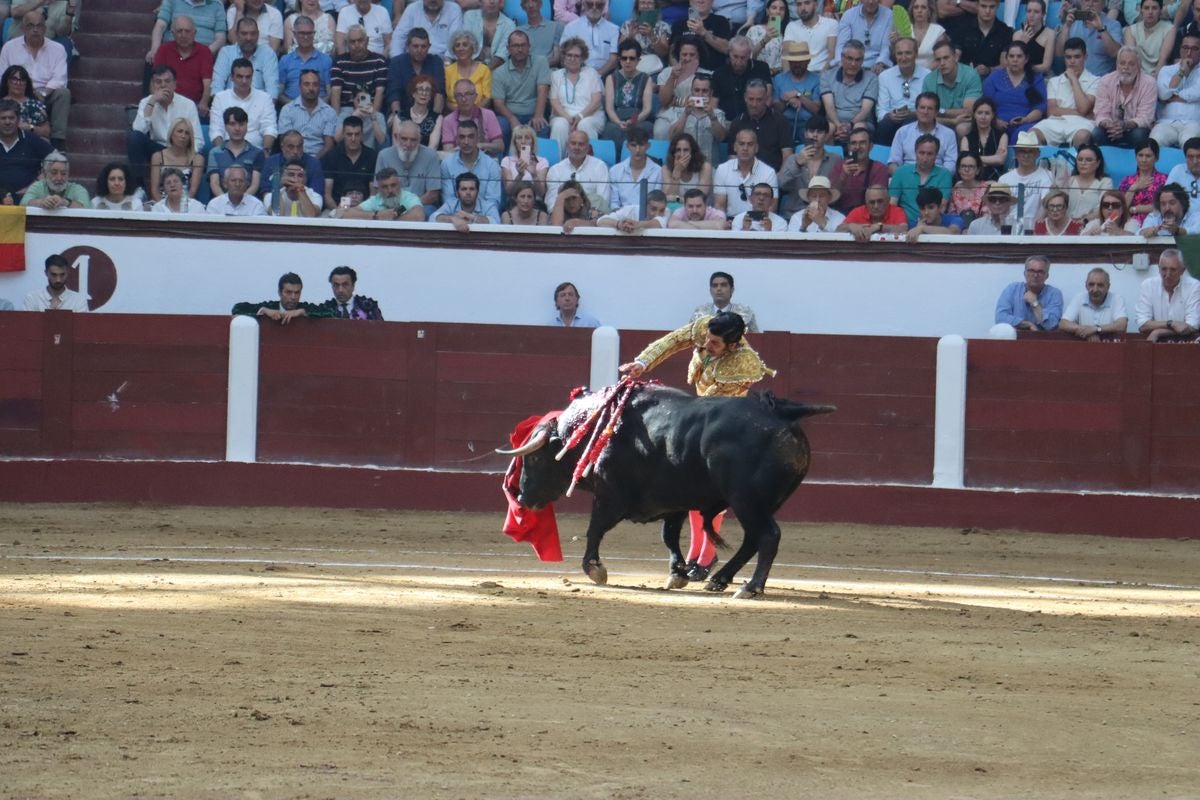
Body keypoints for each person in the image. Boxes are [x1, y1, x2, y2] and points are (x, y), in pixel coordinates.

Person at [618, 310, 776, 580]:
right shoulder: (706, 328)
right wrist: (642, 363)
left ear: (734, 346)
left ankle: (706, 554)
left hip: (729, 420)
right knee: (692, 488)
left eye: (715, 344)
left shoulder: (744, 363)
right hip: (702, 411)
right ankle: (697, 552)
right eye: (707, 339)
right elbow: (671, 341)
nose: (706, 346)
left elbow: (715, 401)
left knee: (714, 489)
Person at [0, 9, 70, 151]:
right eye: (31, 26)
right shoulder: (9, 47)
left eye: (39, 26)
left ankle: (57, 141)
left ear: (45, 28)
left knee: (64, 93)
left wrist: (42, 94)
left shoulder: (57, 49)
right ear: (23, 29)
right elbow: (2, 76)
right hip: (16, 92)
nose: (35, 30)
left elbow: (60, 78)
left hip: (46, 93)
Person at [128, 65, 202, 190]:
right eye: (158, 82)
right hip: (157, 150)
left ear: (175, 84)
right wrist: (152, 102)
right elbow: (138, 130)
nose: (163, 86)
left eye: (167, 81)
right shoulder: (147, 102)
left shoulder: (188, 105)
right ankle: (139, 186)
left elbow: (198, 140)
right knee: (134, 138)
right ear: (152, 85)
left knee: (199, 157)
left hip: (181, 149)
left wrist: (182, 156)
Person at [1029, 38, 1097, 150]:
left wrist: (1074, 80)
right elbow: (1051, 111)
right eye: (1068, 57)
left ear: (1085, 57)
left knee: (1082, 136)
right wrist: (1080, 113)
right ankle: (1040, 166)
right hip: (1055, 122)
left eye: (1077, 57)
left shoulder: (1096, 81)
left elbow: (1084, 108)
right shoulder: (1054, 81)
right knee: (1031, 134)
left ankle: (1077, 167)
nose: (1072, 61)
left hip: (1082, 123)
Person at [329, 25, 388, 142]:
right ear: (347, 44)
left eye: (360, 40)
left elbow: (379, 92)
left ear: (367, 41)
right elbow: (336, 91)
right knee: (339, 129)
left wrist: (372, 113)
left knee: (378, 123)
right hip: (347, 108)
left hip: (369, 106)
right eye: (352, 42)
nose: (357, 45)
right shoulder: (340, 61)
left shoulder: (379, 61)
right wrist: (336, 118)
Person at [492, 30, 551, 144]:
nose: (520, 49)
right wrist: (512, 119)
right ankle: (504, 161)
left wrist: (538, 115)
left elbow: (542, 90)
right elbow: (498, 104)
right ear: (508, 49)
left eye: (523, 45)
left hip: (533, 113)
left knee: (541, 127)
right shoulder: (499, 72)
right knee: (500, 126)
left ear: (529, 47)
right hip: (509, 115)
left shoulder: (541, 62)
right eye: (515, 46)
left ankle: (539, 161)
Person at [1091, 46, 1156, 149]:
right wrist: (1109, 125)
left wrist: (1125, 125)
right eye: (1122, 63)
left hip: (1134, 129)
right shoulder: (1105, 81)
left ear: (1138, 66)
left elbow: (1145, 118)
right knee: (1097, 133)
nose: (1125, 67)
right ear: (1117, 65)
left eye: (1131, 64)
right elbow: (1100, 113)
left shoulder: (1149, 83)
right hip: (1111, 129)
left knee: (1139, 135)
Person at [548, 37, 605, 154]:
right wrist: (568, 118)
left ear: (583, 58)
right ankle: (558, 163)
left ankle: (589, 162)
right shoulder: (556, 75)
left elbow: (596, 101)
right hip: (563, 115)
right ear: (563, 56)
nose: (572, 59)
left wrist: (580, 117)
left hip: (590, 115)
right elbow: (554, 102)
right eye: (569, 55)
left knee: (585, 124)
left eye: (576, 56)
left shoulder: (591, 73)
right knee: (560, 125)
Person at [209, 58, 278, 151]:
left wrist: (265, 153)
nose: (244, 81)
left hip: (256, 154)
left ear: (252, 77)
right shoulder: (220, 98)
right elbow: (216, 131)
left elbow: (269, 128)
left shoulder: (265, 98)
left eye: (248, 77)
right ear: (232, 78)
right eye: (240, 77)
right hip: (227, 151)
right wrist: (223, 155)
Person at [662, 69, 727, 167]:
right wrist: (685, 114)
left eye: (704, 91)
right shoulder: (679, 112)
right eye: (697, 90)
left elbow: (721, 137)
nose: (700, 95)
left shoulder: (718, 114)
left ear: (711, 93)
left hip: (709, 167)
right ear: (691, 91)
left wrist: (712, 117)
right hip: (685, 167)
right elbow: (672, 136)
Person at [152, 15, 215, 115]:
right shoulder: (163, 50)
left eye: (187, 31)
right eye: (179, 31)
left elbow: (207, 84)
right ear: (173, 33)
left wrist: (204, 103)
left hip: (194, 105)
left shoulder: (204, 52)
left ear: (195, 33)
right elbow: (155, 81)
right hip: (167, 103)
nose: (183, 35)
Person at [777, 114, 839, 217]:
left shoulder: (835, 160)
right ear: (806, 134)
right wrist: (797, 164)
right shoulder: (793, 158)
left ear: (826, 135)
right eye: (811, 131)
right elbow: (781, 184)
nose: (815, 135)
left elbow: (838, 190)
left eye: (819, 132)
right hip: (793, 213)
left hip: (824, 214)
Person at [981, 41, 1045, 138]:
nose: (1015, 60)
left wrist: (1026, 119)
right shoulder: (993, 78)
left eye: (1019, 56)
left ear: (1026, 59)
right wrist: (995, 121)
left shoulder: (1036, 78)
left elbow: (1039, 109)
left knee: (1026, 134)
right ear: (1006, 59)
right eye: (1011, 56)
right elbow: (985, 106)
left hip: (1025, 124)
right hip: (996, 124)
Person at [376, 118, 442, 213]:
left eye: (413, 140)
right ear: (396, 137)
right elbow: (378, 190)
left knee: (429, 212)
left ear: (420, 139)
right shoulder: (384, 155)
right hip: (390, 205)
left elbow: (432, 195)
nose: (408, 144)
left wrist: (404, 208)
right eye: (404, 139)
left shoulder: (431, 156)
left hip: (420, 205)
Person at [727, 77, 793, 171]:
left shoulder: (781, 121)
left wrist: (777, 179)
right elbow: (732, 157)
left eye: (759, 100)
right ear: (745, 97)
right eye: (751, 99)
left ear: (766, 98)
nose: (754, 104)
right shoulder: (737, 123)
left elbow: (787, 156)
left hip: (775, 178)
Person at [875, 37, 930, 146]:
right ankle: (881, 160)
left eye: (908, 53)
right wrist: (889, 115)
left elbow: (930, 107)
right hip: (892, 120)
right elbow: (881, 109)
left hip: (917, 117)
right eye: (899, 54)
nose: (903, 58)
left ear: (916, 54)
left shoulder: (927, 76)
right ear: (895, 55)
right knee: (884, 125)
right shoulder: (885, 76)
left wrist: (913, 114)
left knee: (909, 123)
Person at [820, 39, 878, 142]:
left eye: (858, 60)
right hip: (834, 122)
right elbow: (829, 107)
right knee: (829, 127)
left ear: (863, 60)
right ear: (842, 57)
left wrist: (850, 125)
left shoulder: (871, 78)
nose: (853, 64)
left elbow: (865, 110)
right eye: (849, 59)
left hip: (860, 122)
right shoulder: (827, 76)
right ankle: (825, 157)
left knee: (859, 127)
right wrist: (839, 125)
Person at [1135, 248, 1200, 340]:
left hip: (1185, 344)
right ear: (1158, 269)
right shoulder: (1148, 285)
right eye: (1164, 269)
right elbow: (1142, 325)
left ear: (1182, 270)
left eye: (1173, 270)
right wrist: (1171, 323)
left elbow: (1192, 326)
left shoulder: (1194, 286)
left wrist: (1158, 332)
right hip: (1154, 343)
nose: (1168, 274)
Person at [888, 133, 953, 225]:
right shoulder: (900, 172)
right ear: (915, 152)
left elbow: (941, 207)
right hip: (904, 224)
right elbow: (892, 204)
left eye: (930, 154)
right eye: (921, 153)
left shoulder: (945, 175)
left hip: (933, 224)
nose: (925, 158)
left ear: (936, 155)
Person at [602, 39, 654, 151]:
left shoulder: (646, 78)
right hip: (617, 118)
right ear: (619, 60)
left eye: (632, 58)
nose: (628, 61)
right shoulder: (611, 78)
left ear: (638, 60)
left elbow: (647, 109)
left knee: (644, 128)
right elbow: (609, 109)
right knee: (611, 129)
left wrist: (633, 121)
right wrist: (618, 122)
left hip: (638, 118)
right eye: (624, 58)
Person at [713, 127, 777, 218]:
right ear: (735, 147)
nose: (745, 148)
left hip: (758, 221)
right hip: (730, 222)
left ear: (756, 148)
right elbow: (719, 205)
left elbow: (771, 206)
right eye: (741, 144)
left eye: (750, 144)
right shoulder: (722, 169)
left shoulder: (769, 173)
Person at [1150, 32, 1200, 148]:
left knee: (1190, 143)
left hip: (1193, 123)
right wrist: (1181, 72)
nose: (1189, 53)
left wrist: (1173, 96)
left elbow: (1196, 93)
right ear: (1180, 49)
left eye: (1194, 49)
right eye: (1185, 48)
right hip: (1166, 122)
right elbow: (1163, 94)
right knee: (1154, 142)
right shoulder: (1166, 70)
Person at [888, 91, 957, 173]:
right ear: (916, 110)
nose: (925, 112)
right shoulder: (902, 132)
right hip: (907, 178)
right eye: (922, 107)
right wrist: (904, 178)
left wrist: (935, 179)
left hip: (936, 180)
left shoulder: (949, 134)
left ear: (936, 112)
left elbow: (950, 167)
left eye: (930, 108)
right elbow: (893, 163)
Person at [998, 130, 1053, 232]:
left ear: (1038, 153)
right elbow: (1001, 209)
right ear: (1015, 154)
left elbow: (1045, 205)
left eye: (1030, 151)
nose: (1026, 155)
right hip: (1008, 229)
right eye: (1022, 151)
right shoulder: (1004, 179)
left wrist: (1034, 229)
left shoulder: (1047, 176)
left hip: (1034, 230)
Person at [924, 39, 982, 132]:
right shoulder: (929, 79)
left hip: (964, 122)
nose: (942, 63)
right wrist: (952, 121)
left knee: (962, 128)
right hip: (940, 122)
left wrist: (940, 111)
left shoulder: (971, 75)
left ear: (955, 57)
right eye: (938, 59)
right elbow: (926, 115)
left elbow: (968, 112)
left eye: (946, 58)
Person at [386, 28, 447, 118]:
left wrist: (433, 119)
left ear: (429, 47)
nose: (419, 50)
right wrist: (398, 118)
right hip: (402, 112)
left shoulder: (436, 62)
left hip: (429, 114)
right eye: (415, 46)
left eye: (423, 46)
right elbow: (394, 94)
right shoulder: (396, 63)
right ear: (407, 46)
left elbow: (439, 92)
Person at [0, 97, 52, 202]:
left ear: (18, 120)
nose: (7, 122)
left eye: (11, 118)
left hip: (27, 200)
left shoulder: (32, 140)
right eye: (3, 118)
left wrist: (35, 185)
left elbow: (58, 159)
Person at [207, 106, 266, 198]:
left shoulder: (257, 153)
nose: (237, 128)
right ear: (225, 127)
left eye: (241, 124)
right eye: (232, 124)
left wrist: (241, 202)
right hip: (220, 203)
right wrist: (226, 202)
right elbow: (214, 183)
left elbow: (255, 185)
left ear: (247, 126)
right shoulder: (214, 152)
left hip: (248, 204)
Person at [278, 69, 338, 158]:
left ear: (319, 87)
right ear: (299, 87)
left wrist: (313, 163)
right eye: (306, 84)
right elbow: (285, 142)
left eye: (315, 84)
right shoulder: (287, 110)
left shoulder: (329, 112)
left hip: (319, 160)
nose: (311, 88)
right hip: (292, 158)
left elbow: (328, 146)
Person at [829, 125, 889, 214]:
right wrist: (843, 176)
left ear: (871, 146)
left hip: (867, 217)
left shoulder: (879, 169)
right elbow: (830, 199)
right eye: (853, 143)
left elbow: (877, 202)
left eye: (862, 143)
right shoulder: (839, 166)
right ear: (848, 147)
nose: (857, 147)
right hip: (840, 216)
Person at [545, 128, 611, 209]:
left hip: (591, 216)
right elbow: (551, 201)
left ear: (587, 148)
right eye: (573, 143)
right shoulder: (555, 170)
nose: (576, 147)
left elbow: (603, 200)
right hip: (564, 215)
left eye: (581, 144)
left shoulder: (599, 167)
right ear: (567, 146)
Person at [212, 17, 279, 96]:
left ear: (258, 34)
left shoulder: (268, 54)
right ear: (236, 34)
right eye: (244, 34)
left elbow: (272, 91)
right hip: (229, 104)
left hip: (259, 105)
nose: (248, 38)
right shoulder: (226, 52)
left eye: (253, 33)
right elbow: (216, 87)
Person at [994, 254, 1063, 331]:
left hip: (1043, 340)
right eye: (1031, 271)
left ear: (1047, 276)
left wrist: (1034, 303)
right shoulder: (1012, 289)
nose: (1035, 275)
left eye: (1040, 272)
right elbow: (1000, 318)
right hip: (1014, 339)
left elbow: (1051, 325)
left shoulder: (1054, 294)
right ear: (1025, 273)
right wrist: (1027, 324)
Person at [232, 272, 335, 322]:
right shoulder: (270, 306)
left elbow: (332, 313)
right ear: (280, 293)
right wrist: (263, 310)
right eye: (289, 292)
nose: (293, 297)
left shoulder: (305, 307)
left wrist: (302, 312)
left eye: (297, 293)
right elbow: (237, 309)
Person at [322, 115, 377, 210]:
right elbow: (327, 195)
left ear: (362, 135)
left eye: (357, 134)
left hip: (365, 209)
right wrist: (338, 213)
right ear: (343, 134)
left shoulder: (372, 156)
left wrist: (359, 212)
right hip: (336, 208)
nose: (353, 138)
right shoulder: (332, 156)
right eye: (349, 134)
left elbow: (373, 194)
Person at [148, 0, 228, 65]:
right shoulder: (172, 1)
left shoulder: (217, 5)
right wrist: (155, 49)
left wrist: (204, 53)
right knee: (151, 58)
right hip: (174, 52)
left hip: (203, 57)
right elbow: (160, 26)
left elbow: (221, 38)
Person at [1055, 0, 1122, 76]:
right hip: (1074, 78)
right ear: (1080, 2)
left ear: (1103, 4)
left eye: (1095, 1)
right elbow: (1059, 53)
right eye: (1086, 0)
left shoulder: (1113, 25)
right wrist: (1066, 26)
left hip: (1101, 80)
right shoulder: (1072, 22)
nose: (1090, 4)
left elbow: (1115, 54)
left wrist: (1101, 28)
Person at [712, 36, 772, 121]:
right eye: (735, 57)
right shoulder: (719, 74)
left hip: (757, 120)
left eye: (743, 57)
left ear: (749, 55)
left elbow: (768, 98)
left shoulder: (762, 68)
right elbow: (714, 104)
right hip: (727, 122)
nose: (739, 61)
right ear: (729, 53)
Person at [1059, 268, 1129, 339]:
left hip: (1110, 346)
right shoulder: (1079, 298)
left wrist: (1096, 329)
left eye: (1100, 285)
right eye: (1091, 284)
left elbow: (1122, 325)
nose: (1095, 290)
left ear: (1108, 287)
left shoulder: (1116, 299)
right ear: (1086, 285)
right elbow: (1063, 323)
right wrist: (1086, 331)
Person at [773, 41, 821, 145]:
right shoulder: (779, 79)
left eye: (801, 61)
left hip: (808, 126)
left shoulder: (816, 79)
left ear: (808, 61)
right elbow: (776, 109)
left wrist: (798, 95)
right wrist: (787, 101)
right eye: (794, 61)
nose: (797, 64)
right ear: (789, 61)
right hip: (783, 124)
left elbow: (816, 109)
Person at [278, 15, 333, 102]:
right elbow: (279, 93)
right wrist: (295, 107)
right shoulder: (285, 61)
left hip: (319, 110)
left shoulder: (326, 60)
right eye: (302, 33)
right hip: (291, 109)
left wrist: (315, 107)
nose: (306, 37)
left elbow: (330, 93)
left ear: (314, 34)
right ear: (295, 34)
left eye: (309, 33)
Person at [148, 117, 205, 202]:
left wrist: (181, 208)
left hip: (186, 203)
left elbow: (192, 191)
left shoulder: (197, 159)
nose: (183, 136)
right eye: (180, 131)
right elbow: (154, 190)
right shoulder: (157, 157)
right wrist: (163, 209)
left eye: (187, 133)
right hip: (160, 204)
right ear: (171, 134)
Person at [950, 0, 1011, 79]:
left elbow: (1005, 64)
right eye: (983, 6)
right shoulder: (963, 28)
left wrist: (989, 70)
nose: (987, 11)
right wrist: (967, 70)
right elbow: (955, 56)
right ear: (977, 6)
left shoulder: (1005, 31)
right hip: (965, 77)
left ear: (998, 6)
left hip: (994, 78)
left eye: (992, 7)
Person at [666, 0, 732, 72]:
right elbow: (672, 54)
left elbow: (727, 49)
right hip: (684, 73)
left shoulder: (721, 21)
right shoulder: (679, 25)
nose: (701, 0)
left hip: (712, 74)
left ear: (712, 2)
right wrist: (679, 71)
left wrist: (704, 33)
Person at [442, 78, 504, 154]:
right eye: (459, 95)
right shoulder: (448, 120)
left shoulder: (488, 115)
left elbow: (500, 146)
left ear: (475, 96)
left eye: (468, 94)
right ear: (455, 98)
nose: (464, 99)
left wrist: (480, 145)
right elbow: (448, 152)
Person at [340, 166, 426, 220]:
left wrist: (390, 218)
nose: (390, 190)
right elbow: (344, 213)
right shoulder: (376, 200)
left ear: (399, 184)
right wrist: (376, 215)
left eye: (393, 185)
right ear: (379, 189)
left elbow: (419, 216)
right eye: (385, 187)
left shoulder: (408, 197)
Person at [608, 126, 662, 209]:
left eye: (641, 145)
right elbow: (614, 203)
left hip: (647, 217)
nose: (637, 150)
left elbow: (656, 202)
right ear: (627, 146)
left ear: (648, 146)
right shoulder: (615, 171)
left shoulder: (658, 171)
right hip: (621, 217)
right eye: (633, 145)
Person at [561, 0, 621, 75]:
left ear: (604, 6)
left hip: (604, 75)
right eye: (590, 4)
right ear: (583, 4)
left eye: (599, 5)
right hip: (576, 75)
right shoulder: (571, 27)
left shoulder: (613, 29)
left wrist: (596, 76)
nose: (594, 7)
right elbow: (563, 56)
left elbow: (613, 59)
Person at [390, 0, 464, 60]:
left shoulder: (454, 9)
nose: (433, 0)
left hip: (442, 60)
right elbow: (399, 37)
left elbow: (455, 40)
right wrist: (396, 60)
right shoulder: (412, 9)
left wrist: (447, 61)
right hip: (414, 59)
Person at [835, 0, 893, 72]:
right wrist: (841, 62)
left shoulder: (889, 15)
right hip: (851, 62)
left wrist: (880, 63)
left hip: (876, 64)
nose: (871, 2)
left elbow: (886, 45)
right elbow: (842, 45)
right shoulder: (848, 15)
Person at [958, 97, 1006, 181]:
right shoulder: (966, 139)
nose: (983, 117)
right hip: (972, 181)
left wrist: (975, 159)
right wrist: (992, 159)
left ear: (993, 115)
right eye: (979, 113)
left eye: (987, 113)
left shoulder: (1002, 136)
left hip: (995, 181)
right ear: (974, 115)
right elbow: (965, 161)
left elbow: (1000, 159)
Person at [1059, 143, 1110, 222]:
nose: (1083, 163)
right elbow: (1060, 205)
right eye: (1080, 159)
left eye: (1088, 160)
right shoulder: (1069, 180)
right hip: (1067, 225)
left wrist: (1083, 221)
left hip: (1092, 227)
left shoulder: (1105, 182)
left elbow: (1103, 208)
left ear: (1098, 163)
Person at [783, 0, 837, 74]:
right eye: (799, 4)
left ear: (815, 5)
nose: (803, 8)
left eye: (807, 3)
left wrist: (822, 77)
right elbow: (785, 55)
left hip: (823, 73)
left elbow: (832, 54)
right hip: (798, 74)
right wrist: (789, 78)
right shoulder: (791, 26)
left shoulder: (831, 24)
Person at [618, 0, 671, 75]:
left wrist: (651, 36)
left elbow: (664, 52)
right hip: (631, 65)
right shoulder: (628, 24)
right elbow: (620, 50)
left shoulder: (663, 26)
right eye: (643, 3)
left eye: (649, 3)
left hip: (655, 69)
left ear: (655, 6)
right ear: (637, 6)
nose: (646, 6)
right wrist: (630, 37)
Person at [434, 170, 501, 229]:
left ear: (478, 192)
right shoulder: (450, 204)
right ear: (457, 193)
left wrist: (472, 217)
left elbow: (496, 222)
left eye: (472, 189)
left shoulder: (488, 206)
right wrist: (452, 219)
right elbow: (433, 218)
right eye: (464, 189)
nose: (468, 193)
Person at [445, 30, 493, 111]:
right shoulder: (448, 71)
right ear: (453, 50)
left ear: (472, 48)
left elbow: (487, 98)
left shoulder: (484, 70)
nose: (461, 48)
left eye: (465, 45)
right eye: (457, 45)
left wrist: (472, 113)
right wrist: (459, 113)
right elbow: (446, 100)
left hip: (479, 113)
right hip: (454, 114)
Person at [1124, 0, 1175, 76]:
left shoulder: (1169, 29)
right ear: (1141, 11)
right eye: (1146, 8)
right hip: (1135, 75)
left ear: (1160, 11)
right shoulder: (1131, 30)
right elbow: (1131, 58)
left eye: (1154, 8)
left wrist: (1152, 80)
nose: (1150, 12)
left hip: (1158, 74)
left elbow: (1163, 59)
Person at [20, 151, 86, 208]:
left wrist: (65, 202)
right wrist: (41, 202)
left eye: (63, 173)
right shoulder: (38, 186)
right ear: (45, 173)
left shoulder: (78, 189)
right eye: (54, 173)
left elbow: (87, 209)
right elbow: (22, 205)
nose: (59, 178)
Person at [661, 132, 713, 205]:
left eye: (686, 150)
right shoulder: (666, 169)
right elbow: (667, 198)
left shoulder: (705, 167)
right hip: (675, 210)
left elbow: (700, 198)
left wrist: (677, 198)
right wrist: (677, 171)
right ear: (674, 152)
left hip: (698, 210)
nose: (682, 154)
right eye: (678, 150)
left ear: (692, 152)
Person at [501, 124, 549, 199]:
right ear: (515, 143)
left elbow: (541, 193)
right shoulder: (507, 161)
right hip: (514, 203)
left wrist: (534, 175)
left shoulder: (542, 161)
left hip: (535, 204)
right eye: (519, 138)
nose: (523, 141)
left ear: (532, 142)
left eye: (527, 138)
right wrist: (519, 175)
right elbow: (509, 192)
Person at [740, 0, 791, 73]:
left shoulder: (788, 34)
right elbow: (748, 56)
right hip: (756, 74)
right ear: (767, 11)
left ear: (785, 13)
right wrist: (764, 40)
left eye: (782, 9)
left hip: (777, 76)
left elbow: (787, 63)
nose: (778, 11)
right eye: (774, 8)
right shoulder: (754, 30)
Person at [1126, 139, 1168, 225]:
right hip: (1129, 222)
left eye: (1148, 156)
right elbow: (1120, 207)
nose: (1143, 160)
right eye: (1140, 155)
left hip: (1156, 222)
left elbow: (1165, 206)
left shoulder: (1165, 180)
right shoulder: (1127, 180)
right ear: (1136, 157)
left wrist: (1135, 209)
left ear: (1156, 158)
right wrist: (1133, 188)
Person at [0, 65, 48, 140]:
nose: (18, 83)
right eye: (14, 79)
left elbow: (47, 132)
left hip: (29, 143)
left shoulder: (35, 105)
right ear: (7, 81)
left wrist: (30, 127)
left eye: (22, 80)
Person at [397, 74, 444, 149]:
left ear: (431, 95)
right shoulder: (399, 116)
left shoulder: (437, 118)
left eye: (427, 90)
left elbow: (433, 147)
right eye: (420, 89)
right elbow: (396, 145)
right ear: (413, 93)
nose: (424, 93)